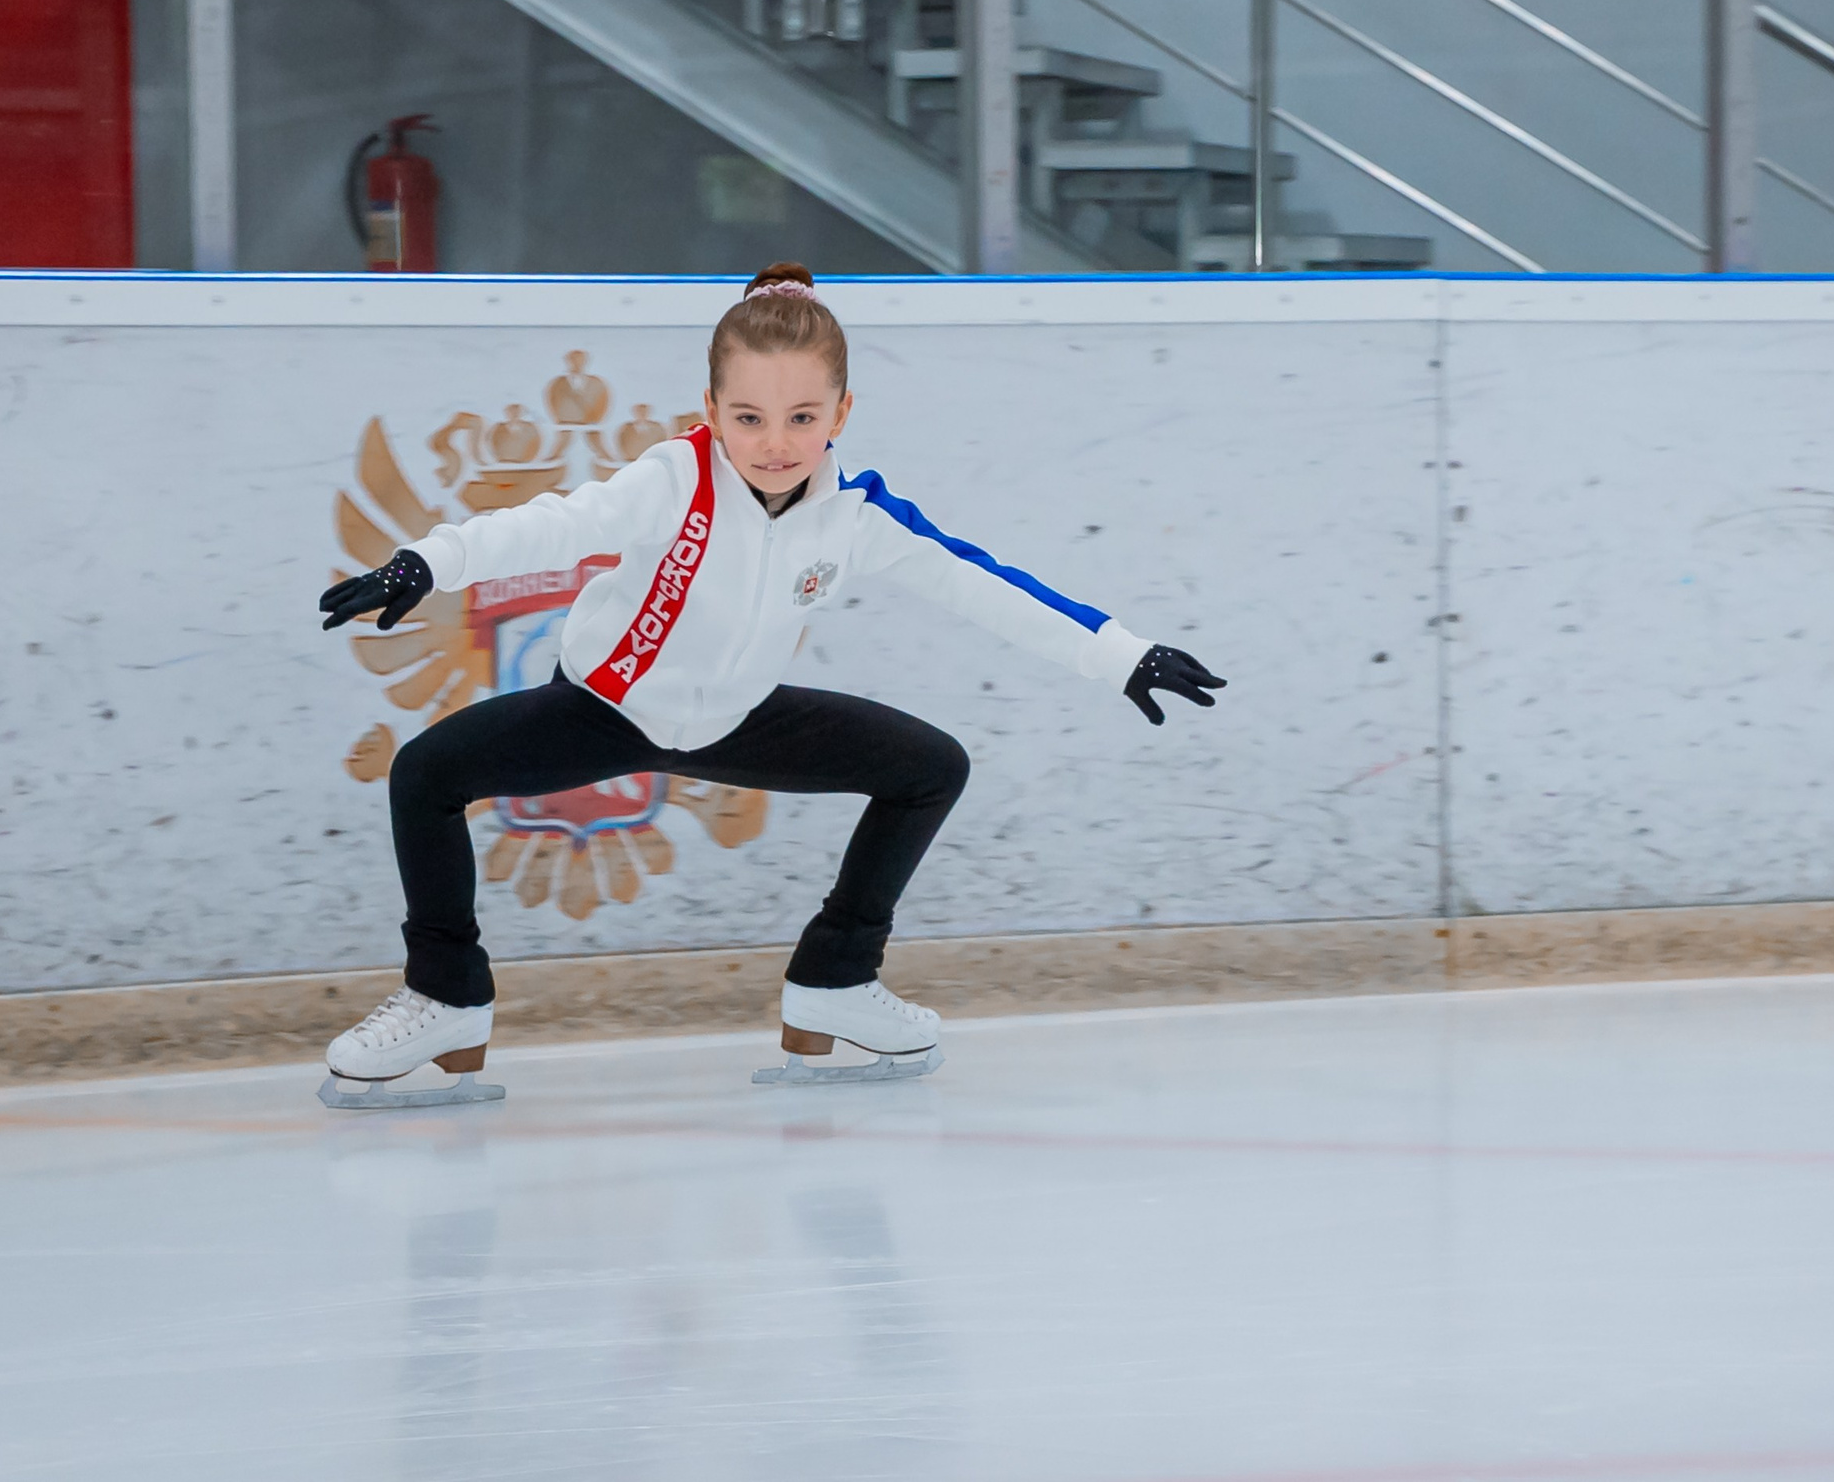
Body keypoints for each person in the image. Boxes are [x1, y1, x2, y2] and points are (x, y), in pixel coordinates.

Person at [314, 262, 1224, 1106]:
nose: (775, 442)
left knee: (929, 766)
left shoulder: (857, 514)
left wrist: (1120, 653)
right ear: (710, 407)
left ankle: (837, 980)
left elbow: (979, 582)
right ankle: (446, 998)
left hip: (736, 719)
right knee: (426, 773)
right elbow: (554, 523)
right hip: (605, 709)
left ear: (841, 410)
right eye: (748, 417)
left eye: (801, 417)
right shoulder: (673, 479)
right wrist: (425, 563)